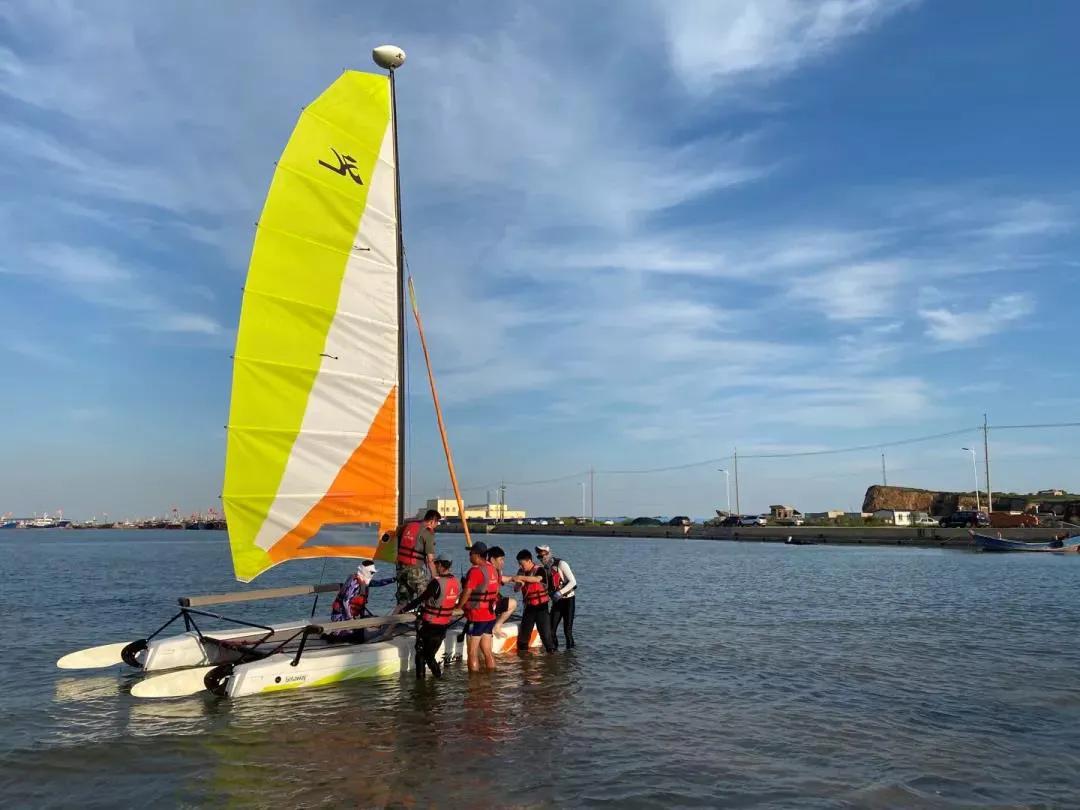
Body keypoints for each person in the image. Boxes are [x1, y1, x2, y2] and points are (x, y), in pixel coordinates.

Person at [402, 556, 461, 679]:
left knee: (421, 653)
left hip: (430, 624)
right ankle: (438, 680)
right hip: (443, 625)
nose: (434, 566)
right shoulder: (456, 582)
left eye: (436, 564)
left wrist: (404, 609)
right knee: (429, 655)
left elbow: (421, 598)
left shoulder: (436, 583)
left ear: (440, 565)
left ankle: (423, 682)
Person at [456, 541, 500, 672]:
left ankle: (474, 681)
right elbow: (496, 589)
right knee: (487, 651)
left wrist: (459, 606)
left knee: (472, 652)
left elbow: (467, 592)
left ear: (477, 555)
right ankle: (491, 676)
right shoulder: (493, 569)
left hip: (477, 616)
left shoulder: (475, 571)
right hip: (490, 616)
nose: (469, 556)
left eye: (470, 553)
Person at [327, 560, 395, 643]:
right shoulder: (354, 583)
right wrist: (350, 618)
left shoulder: (363, 581)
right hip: (341, 616)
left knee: (360, 635)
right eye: (371, 573)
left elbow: (378, 583)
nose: (372, 575)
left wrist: (393, 579)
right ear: (365, 571)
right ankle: (337, 636)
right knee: (351, 637)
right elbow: (345, 601)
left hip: (352, 616)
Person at [394, 509, 440, 611]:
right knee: (426, 597)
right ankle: (427, 620)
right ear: (432, 521)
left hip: (401, 568)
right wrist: (435, 577)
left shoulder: (409, 526)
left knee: (403, 602)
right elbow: (430, 560)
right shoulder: (427, 533)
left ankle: (392, 621)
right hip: (414, 570)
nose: (436, 526)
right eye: (437, 523)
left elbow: (397, 531)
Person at [514, 549, 556, 653]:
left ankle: (552, 656)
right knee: (523, 638)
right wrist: (519, 584)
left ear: (529, 561)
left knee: (546, 636)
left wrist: (521, 577)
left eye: (522, 564)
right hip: (529, 608)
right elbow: (516, 589)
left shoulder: (540, 569)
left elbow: (537, 579)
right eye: (519, 564)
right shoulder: (521, 572)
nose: (520, 566)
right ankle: (524, 658)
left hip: (541, 607)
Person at [536, 544, 577, 650]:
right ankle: (554, 652)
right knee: (551, 630)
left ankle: (570, 654)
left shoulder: (561, 564)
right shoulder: (544, 569)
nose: (541, 559)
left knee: (567, 631)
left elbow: (573, 582)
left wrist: (560, 593)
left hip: (568, 600)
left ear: (549, 554)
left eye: (543, 556)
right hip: (557, 602)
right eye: (539, 557)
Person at [486, 546, 518, 638]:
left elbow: (502, 579)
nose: (503, 562)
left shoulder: (497, 571)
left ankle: (496, 625)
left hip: (493, 602)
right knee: (512, 603)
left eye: (503, 559)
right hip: (485, 604)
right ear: (492, 560)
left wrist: (514, 579)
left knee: (512, 602)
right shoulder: (485, 570)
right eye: (501, 559)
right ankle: (496, 627)